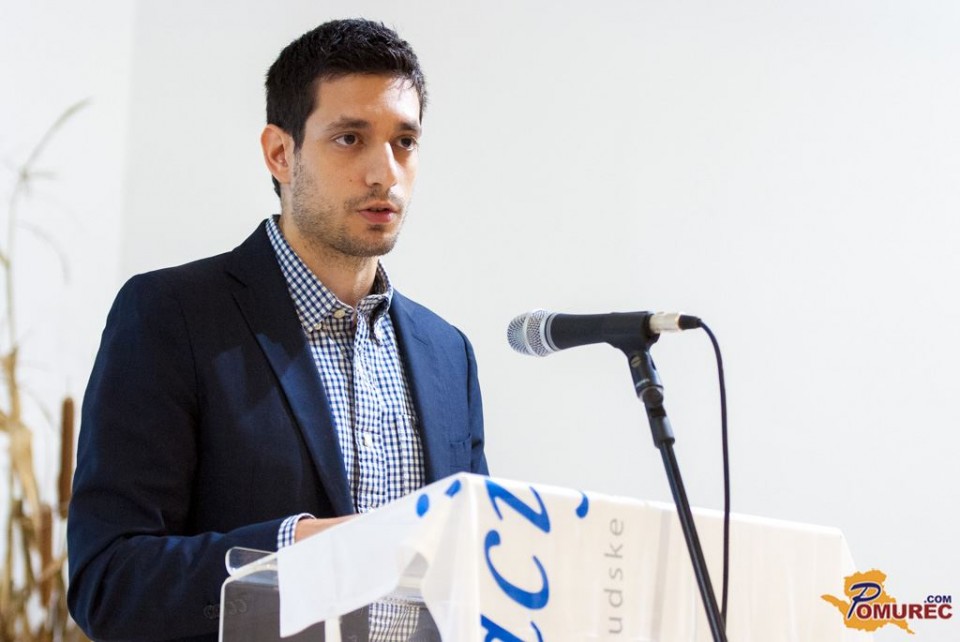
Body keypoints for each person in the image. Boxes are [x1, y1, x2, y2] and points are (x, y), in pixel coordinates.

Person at [67, 19, 487, 642]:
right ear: (280, 153)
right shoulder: (170, 315)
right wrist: (297, 552)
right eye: (350, 138)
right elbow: (109, 583)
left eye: (405, 142)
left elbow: (471, 578)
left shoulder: (448, 354)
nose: (385, 173)